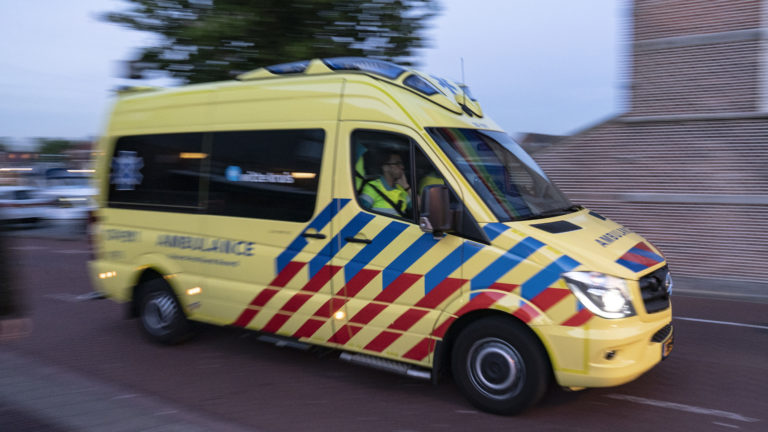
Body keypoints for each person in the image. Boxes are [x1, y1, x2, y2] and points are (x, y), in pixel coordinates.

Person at [359, 151, 411, 217]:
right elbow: (360, 216)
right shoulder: (372, 187)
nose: (402, 167)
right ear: (385, 167)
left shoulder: (401, 188)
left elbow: (419, 208)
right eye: (397, 163)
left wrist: (406, 186)